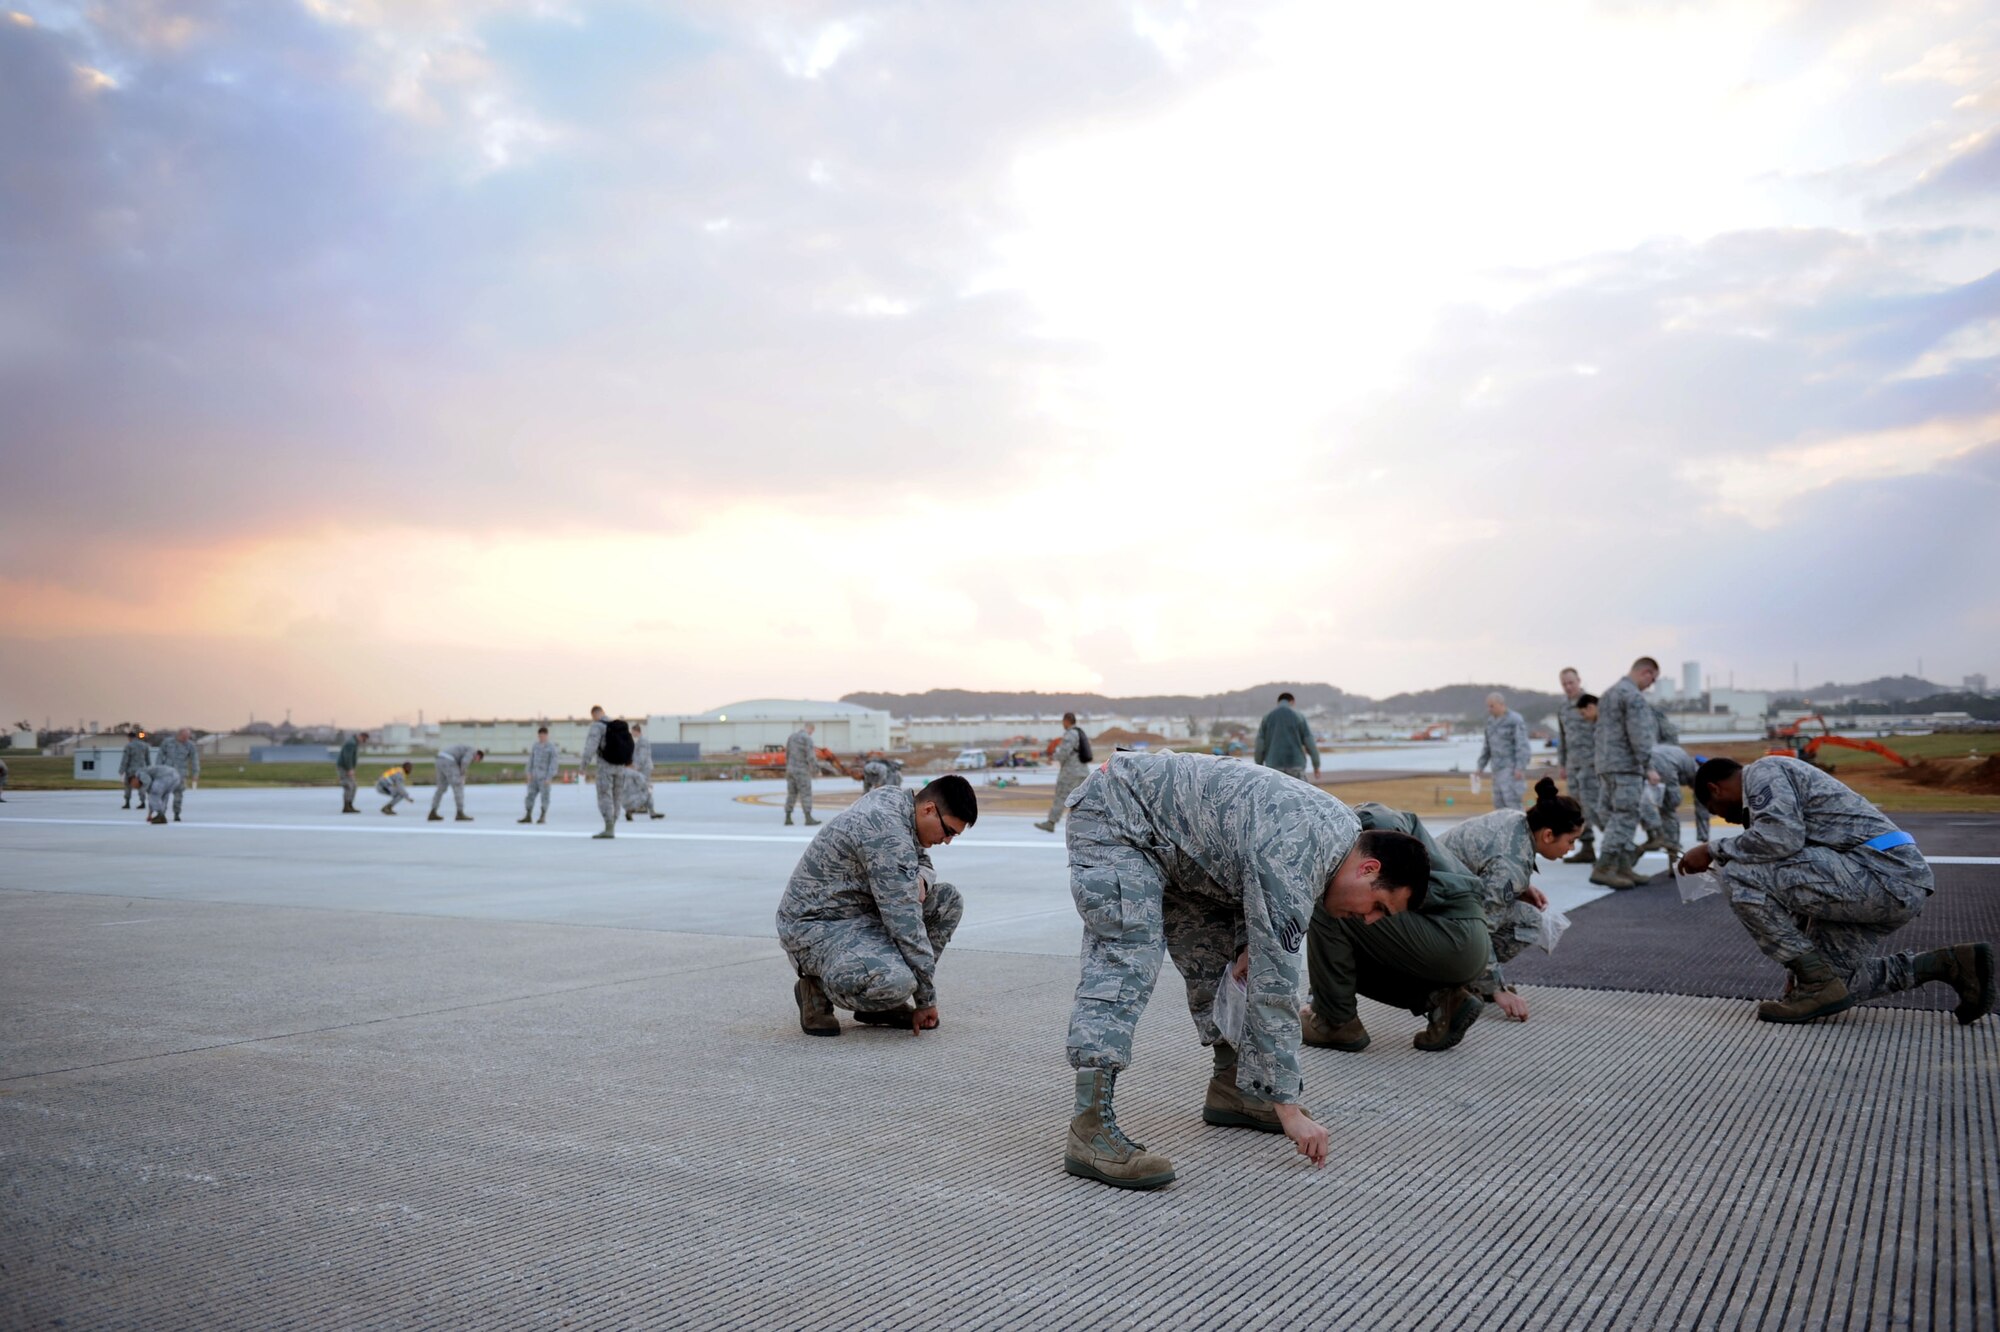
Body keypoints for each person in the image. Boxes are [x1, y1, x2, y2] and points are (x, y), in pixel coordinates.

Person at [1060, 751, 1430, 1190]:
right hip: (1117, 818)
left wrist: (1251, 945)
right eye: (1379, 907)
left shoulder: (1337, 841)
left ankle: (1233, 1089)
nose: (1369, 920)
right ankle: (1089, 1128)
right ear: (1369, 870)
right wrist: (1288, 1108)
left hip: (1178, 847)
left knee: (1222, 962)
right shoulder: (1301, 851)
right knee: (1127, 958)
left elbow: (1250, 906)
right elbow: (1276, 989)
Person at [1685, 756, 1992, 1025]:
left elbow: (1781, 839)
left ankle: (1816, 980)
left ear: (1715, 788)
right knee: (1838, 987)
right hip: (1880, 882)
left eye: (1716, 810)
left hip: (1882, 874)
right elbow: (1800, 882)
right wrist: (1801, 976)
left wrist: (1713, 850)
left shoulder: (1763, 771)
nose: (1724, 818)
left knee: (1739, 869)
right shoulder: (1775, 785)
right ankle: (1950, 964)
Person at [779, 774, 977, 1038]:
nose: (948, 840)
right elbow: (904, 923)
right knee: (896, 983)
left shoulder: (902, 807)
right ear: (929, 809)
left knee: (947, 902)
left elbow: (925, 866)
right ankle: (816, 988)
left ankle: (881, 1005)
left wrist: (921, 881)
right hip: (817, 927)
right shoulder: (886, 830)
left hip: (859, 914)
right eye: (949, 831)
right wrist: (925, 1000)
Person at [1300, 802, 1488, 1055]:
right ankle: (1440, 999)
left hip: (1454, 936)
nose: (1369, 919)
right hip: (1461, 939)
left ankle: (1335, 1022)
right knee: (1349, 913)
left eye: (1381, 907)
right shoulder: (1356, 833)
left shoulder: (1373, 828)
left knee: (1332, 900)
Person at [1437, 779, 1585, 1022]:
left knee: (1518, 911)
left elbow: (1487, 864)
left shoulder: (1516, 819)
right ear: (1548, 835)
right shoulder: (1511, 868)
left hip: (1435, 897)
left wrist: (1522, 887)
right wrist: (1498, 990)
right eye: (1570, 841)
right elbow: (1478, 930)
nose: (1571, 848)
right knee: (1529, 921)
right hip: (1431, 913)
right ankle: (1459, 979)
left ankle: (1469, 977)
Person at [1591, 657, 1661, 890]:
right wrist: (1648, 765)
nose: (1650, 685)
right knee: (1625, 816)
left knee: (1614, 815)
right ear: (1646, 672)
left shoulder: (1609, 693)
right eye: (1652, 679)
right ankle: (1604, 867)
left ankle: (1621, 866)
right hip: (1626, 767)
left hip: (1606, 765)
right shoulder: (1633, 696)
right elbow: (1640, 734)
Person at [1556, 670, 1600, 864]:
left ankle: (1614, 851)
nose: (1568, 687)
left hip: (1592, 764)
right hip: (1573, 765)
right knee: (1576, 810)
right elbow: (1563, 739)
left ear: (1579, 681)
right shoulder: (1563, 709)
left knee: (1595, 807)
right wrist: (1563, 764)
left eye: (1571, 683)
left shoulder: (1591, 703)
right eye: (1564, 684)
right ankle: (1587, 847)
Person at [1642, 742, 1709, 866]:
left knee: (1639, 804)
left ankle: (1652, 836)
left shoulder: (1682, 756)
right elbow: (1701, 808)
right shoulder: (1699, 774)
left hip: (1642, 760)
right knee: (1670, 809)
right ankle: (1672, 859)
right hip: (1663, 764)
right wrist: (1704, 838)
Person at [1035, 712, 1092, 833]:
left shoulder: (1070, 734)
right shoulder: (1080, 732)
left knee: (1061, 796)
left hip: (1070, 772)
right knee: (1082, 799)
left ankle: (1051, 822)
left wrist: (1053, 757)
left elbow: (1063, 753)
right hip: (1082, 771)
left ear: (1067, 721)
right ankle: (1085, 823)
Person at [1477, 692, 1531, 811]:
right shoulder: (1490, 722)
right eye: (1488, 706)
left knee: (1513, 804)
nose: (1489, 709)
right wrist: (1480, 766)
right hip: (1496, 769)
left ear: (1501, 705)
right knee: (1499, 805)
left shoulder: (1514, 720)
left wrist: (1520, 767)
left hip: (1511, 769)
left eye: (1492, 706)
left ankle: (1518, 830)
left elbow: (1522, 745)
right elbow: (1487, 747)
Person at [1252, 691, 1319, 782]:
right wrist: (1316, 765)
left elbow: (1259, 744)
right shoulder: (1299, 716)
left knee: (1275, 794)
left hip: (1273, 766)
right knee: (1299, 795)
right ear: (1292, 701)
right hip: (1296, 765)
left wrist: (1259, 765)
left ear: (1278, 702)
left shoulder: (1267, 717)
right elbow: (1310, 743)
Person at [591, 717, 634, 839]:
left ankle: (609, 829)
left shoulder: (599, 727)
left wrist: (583, 765)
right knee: (617, 797)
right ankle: (612, 826)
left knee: (605, 796)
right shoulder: (620, 729)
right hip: (620, 768)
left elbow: (591, 747)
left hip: (606, 767)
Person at [426, 744, 483, 822]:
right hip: (449, 761)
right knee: (458, 786)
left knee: (441, 788)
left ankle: (433, 811)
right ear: (478, 755)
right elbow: (465, 762)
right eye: (477, 760)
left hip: (439, 760)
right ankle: (460, 813)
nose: (474, 761)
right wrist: (462, 775)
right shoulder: (472, 751)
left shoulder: (465, 749)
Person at [158, 728, 200, 822]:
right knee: (164, 794)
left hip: (180, 774)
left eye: (188, 737)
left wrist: (195, 773)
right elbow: (160, 756)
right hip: (166, 773)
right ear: (179, 735)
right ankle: (161, 813)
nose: (186, 739)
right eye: (184, 737)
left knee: (178, 795)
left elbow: (194, 760)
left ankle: (177, 813)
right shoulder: (167, 743)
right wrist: (158, 771)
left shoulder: (190, 746)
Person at [521, 726, 559, 824]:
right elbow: (531, 760)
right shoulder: (535, 746)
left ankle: (542, 816)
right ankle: (528, 815)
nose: (541, 737)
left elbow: (553, 763)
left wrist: (549, 777)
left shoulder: (551, 748)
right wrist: (528, 773)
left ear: (547, 735)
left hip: (544, 777)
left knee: (545, 797)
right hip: (534, 776)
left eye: (543, 736)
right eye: (540, 736)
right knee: (530, 795)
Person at [784, 722, 819, 826]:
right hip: (802, 770)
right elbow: (811, 756)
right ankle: (808, 818)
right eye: (812, 731)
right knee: (806, 793)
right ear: (810, 729)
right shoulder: (807, 739)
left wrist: (789, 766)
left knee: (791, 793)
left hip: (790, 769)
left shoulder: (791, 737)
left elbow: (787, 753)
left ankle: (788, 817)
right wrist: (816, 769)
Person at [336, 731, 368, 814]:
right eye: (363, 740)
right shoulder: (351, 743)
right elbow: (348, 757)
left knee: (354, 786)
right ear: (361, 737)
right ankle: (346, 807)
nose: (363, 742)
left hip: (347, 768)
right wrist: (349, 769)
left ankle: (350, 805)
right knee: (348, 786)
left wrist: (352, 769)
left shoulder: (354, 743)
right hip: (344, 768)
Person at [119, 733, 151, 810]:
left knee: (128, 786)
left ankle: (127, 802)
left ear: (130, 737)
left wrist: (121, 770)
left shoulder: (129, 746)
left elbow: (125, 759)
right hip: (142, 769)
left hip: (131, 770)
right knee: (141, 785)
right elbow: (148, 759)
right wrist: (149, 769)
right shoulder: (145, 745)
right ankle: (142, 802)